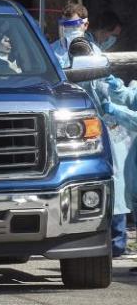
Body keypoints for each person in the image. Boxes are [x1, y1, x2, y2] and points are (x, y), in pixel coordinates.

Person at [69, 40, 136, 259]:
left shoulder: (99, 70)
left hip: (116, 133)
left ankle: (118, 242)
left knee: (118, 189)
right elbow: (129, 98)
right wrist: (116, 88)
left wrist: (115, 110)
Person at [51, 3, 98, 68]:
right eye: (65, 25)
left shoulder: (94, 52)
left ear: (85, 25)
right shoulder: (50, 51)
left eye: (74, 25)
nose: (68, 29)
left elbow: (105, 77)